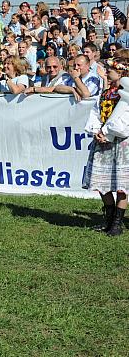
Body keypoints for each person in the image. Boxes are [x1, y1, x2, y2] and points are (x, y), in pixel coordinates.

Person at [82, 57, 129, 236]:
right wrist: (96, 130)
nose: (107, 72)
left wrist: (108, 132)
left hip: (121, 143)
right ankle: (108, 219)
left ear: (122, 73)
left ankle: (117, 222)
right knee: (102, 182)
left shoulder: (125, 94)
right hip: (102, 141)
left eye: (111, 69)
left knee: (122, 185)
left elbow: (124, 120)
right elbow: (96, 112)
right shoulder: (105, 93)